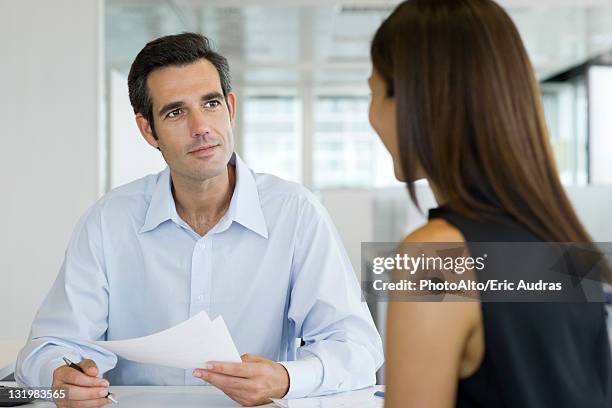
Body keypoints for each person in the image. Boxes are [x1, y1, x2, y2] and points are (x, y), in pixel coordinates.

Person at [15, 33, 383, 407]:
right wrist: (59, 376)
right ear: (148, 130)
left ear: (231, 108)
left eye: (210, 103)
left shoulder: (297, 213)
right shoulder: (108, 221)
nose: (200, 127)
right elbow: (44, 349)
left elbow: (357, 347)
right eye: (175, 112)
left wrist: (286, 378)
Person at [367, 0, 612, 407]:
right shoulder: (563, 243)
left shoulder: (436, 258)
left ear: (414, 101)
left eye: (374, 93)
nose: (371, 116)